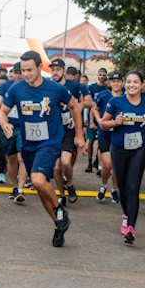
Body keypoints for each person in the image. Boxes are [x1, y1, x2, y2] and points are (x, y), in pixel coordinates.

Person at [0, 51, 84, 248]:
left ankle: (60, 209)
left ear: (39, 68)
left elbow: (75, 107)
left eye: (30, 70)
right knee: (40, 188)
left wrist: (79, 135)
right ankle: (58, 225)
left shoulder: (54, 89)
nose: (26, 74)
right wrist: (4, 124)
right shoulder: (16, 89)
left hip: (50, 142)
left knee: (37, 179)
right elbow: (2, 111)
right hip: (28, 144)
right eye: (23, 70)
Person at [100, 70, 145, 244]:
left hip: (139, 149)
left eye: (135, 82)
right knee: (122, 188)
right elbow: (103, 124)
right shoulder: (115, 102)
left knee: (133, 187)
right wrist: (115, 122)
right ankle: (126, 214)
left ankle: (131, 226)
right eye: (128, 82)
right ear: (124, 84)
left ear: (142, 85)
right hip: (119, 149)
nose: (131, 85)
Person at [50, 61, 91, 205]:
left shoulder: (74, 86)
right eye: (53, 70)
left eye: (58, 69)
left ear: (64, 71)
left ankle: (70, 185)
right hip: (53, 131)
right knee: (56, 167)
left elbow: (88, 102)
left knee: (66, 162)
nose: (55, 72)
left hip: (68, 130)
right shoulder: (47, 86)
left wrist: (77, 111)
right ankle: (61, 194)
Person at [0, 62, 27, 204]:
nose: (19, 75)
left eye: (21, 72)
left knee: (22, 158)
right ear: (12, 73)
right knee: (11, 158)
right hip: (8, 126)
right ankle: (15, 186)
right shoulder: (5, 86)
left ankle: (20, 189)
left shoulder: (29, 87)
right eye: (16, 72)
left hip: (24, 127)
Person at [92, 71, 122, 204]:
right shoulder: (103, 96)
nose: (115, 84)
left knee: (116, 165)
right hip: (105, 133)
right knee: (108, 163)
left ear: (122, 83)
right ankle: (103, 185)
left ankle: (114, 189)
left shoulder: (126, 97)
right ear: (109, 83)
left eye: (118, 81)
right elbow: (95, 108)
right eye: (113, 81)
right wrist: (98, 121)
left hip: (119, 133)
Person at [86, 68, 108, 172]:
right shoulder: (92, 87)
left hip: (103, 118)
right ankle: (89, 163)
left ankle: (98, 162)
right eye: (100, 74)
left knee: (100, 142)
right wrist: (89, 120)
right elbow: (91, 105)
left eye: (104, 75)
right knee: (90, 141)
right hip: (92, 116)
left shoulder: (107, 89)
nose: (102, 76)